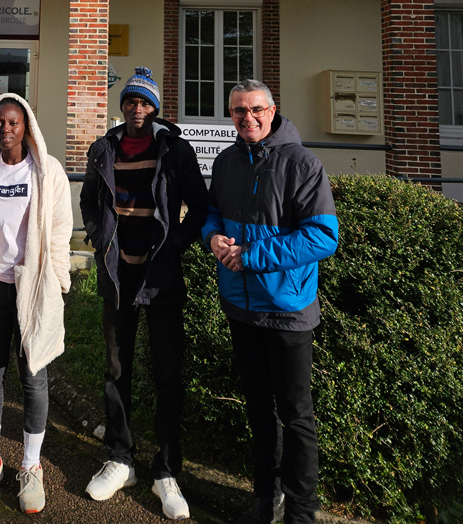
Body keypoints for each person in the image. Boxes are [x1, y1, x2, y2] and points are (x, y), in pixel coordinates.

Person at [202, 79, 338, 524]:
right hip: (240, 306)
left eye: (256, 109)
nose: (248, 118)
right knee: (259, 409)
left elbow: (323, 237)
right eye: (239, 111)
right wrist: (212, 237)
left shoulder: (302, 163)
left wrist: (252, 255)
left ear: (272, 111)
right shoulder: (226, 162)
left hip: (287, 310)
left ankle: (302, 512)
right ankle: (266, 498)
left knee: (296, 417)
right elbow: (212, 214)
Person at [79, 67, 209, 521]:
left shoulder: (175, 150)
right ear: (123, 107)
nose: (138, 109)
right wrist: (98, 235)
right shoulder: (103, 149)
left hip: (161, 278)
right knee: (116, 370)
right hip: (119, 277)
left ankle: (166, 471)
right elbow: (89, 200)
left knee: (168, 373)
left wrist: (176, 244)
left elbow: (200, 206)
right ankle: (120, 459)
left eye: (145, 102)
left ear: (155, 108)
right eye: (131, 101)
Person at [0, 93, 73, 514]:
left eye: (13, 122)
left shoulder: (47, 171)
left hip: (33, 286)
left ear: (27, 127)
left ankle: (31, 466)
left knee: (33, 375)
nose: (5, 129)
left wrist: (59, 280)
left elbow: (60, 228)